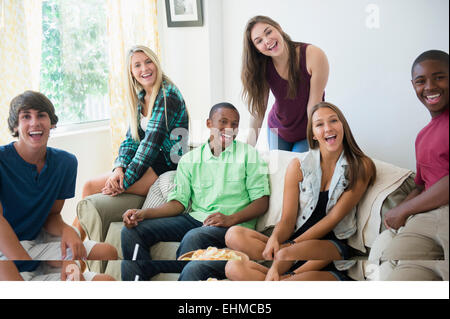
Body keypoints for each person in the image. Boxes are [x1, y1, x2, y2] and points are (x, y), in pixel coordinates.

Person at [225, 102, 376, 281]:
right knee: (233, 247)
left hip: (328, 248)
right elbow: (288, 220)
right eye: (319, 124)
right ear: (313, 134)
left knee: (284, 255)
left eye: (333, 121)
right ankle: (282, 276)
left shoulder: (360, 166)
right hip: (293, 246)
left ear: (342, 125)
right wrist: (275, 239)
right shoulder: (298, 166)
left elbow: (332, 218)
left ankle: (282, 273)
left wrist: (289, 248)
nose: (327, 128)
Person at [120, 102, 270, 281]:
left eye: (234, 124)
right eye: (223, 122)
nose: (229, 128)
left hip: (233, 226)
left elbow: (262, 201)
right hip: (196, 219)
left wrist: (230, 219)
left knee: (194, 237)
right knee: (131, 231)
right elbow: (178, 204)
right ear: (209, 124)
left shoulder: (249, 155)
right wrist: (143, 214)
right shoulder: (190, 160)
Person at [73, 45, 189, 238]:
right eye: (137, 65)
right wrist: (118, 168)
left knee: (91, 187)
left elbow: (150, 145)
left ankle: (72, 253)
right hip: (149, 163)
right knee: (90, 187)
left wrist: (123, 181)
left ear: (156, 63)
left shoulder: (167, 95)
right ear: (131, 72)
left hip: (167, 165)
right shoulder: (142, 96)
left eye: (148, 61)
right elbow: (131, 140)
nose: (144, 69)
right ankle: (74, 250)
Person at [0, 91, 117, 281]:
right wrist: (38, 262)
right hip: (7, 251)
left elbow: (52, 215)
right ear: (15, 125)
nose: (34, 122)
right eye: (26, 116)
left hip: (38, 241)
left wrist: (67, 231)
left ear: (52, 122)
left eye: (41, 115)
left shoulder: (66, 163)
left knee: (108, 255)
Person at [380, 50, 449, 279]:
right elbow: (421, 185)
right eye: (421, 81)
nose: (429, 86)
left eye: (439, 77)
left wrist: (404, 209)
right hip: (426, 217)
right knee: (391, 267)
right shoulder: (422, 136)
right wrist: (394, 215)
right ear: (413, 86)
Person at [242, 15, 329, 152]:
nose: (267, 41)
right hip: (277, 130)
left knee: (294, 169)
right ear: (257, 49)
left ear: (278, 28)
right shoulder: (263, 66)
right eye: (259, 41)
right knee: (278, 170)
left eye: (269, 32)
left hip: (307, 131)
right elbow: (259, 110)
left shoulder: (314, 55)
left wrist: (317, 139)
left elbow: (314, 106)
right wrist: (246, 149)